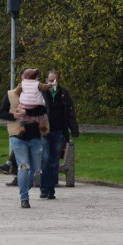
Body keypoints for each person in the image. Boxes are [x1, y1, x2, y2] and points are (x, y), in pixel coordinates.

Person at [0, 68, 47, 208]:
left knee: (35, 168)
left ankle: (27, 184)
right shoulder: (11, 94)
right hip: (18, 136)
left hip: (35, 136)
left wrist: (28, 112)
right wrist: (14, 116)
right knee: (24, 167)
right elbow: (1, 113)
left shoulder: (38, 94)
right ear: (22, 79)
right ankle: (24, 198)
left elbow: (43, 110)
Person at [39, 70, 80, 200]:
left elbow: (70, 112)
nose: (52, 82)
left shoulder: (64, 93)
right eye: (50, 80)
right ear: (46, 80)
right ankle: (44, 188)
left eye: (54, 80)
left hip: (58, 131)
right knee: (45, 158)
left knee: (54, 161)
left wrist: (73, 129)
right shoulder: (42, 93)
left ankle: (51, 189)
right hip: (45, 131)